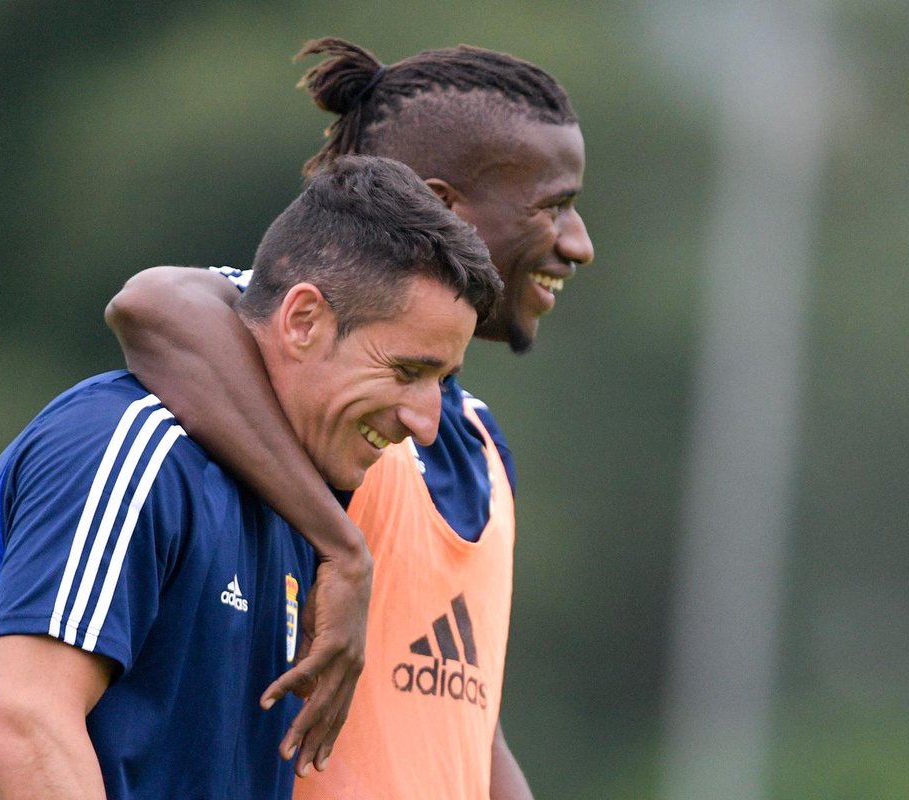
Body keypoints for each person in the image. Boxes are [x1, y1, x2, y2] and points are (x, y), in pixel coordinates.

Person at [106, 38, 595, 799]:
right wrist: (344, 550)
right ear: (440, 205)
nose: (579, 244)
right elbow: (154, 307)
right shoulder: (299, 379)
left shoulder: (475, 441)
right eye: (554, 207)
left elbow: (469, 732)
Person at [0, 155, 500, 800]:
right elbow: (26, 726)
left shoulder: (296, 501)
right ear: (303, 320)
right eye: (405, 370)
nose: (426, 423)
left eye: (441, 382)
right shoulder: (127, 448)